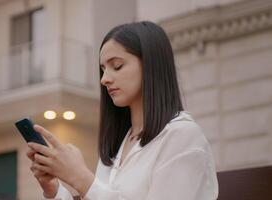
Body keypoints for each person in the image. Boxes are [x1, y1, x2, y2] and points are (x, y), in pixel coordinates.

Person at [26, 21, 219, 200]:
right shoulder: (121, 142)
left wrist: (81, 178)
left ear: (150, 65)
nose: (104, 79)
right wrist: (53, 189)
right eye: (103, 69)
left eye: (117, 66)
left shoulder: (182, 137)